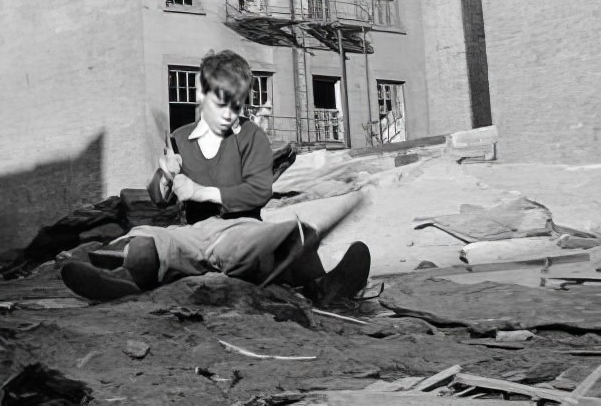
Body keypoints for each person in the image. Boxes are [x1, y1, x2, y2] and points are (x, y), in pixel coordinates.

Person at [59, 50, 371, 304]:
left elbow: (258, 191)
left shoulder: (252, 137)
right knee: (147, 242)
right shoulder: (181, 137)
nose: (229, 113)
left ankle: (323, 287)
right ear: (201, 94)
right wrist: (165, 177)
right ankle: (123, 284)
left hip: (240, 228)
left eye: (237, 104)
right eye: (221, 102)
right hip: (193, 232)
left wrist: (200, 192)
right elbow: (157, 196)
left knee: (290, 235)